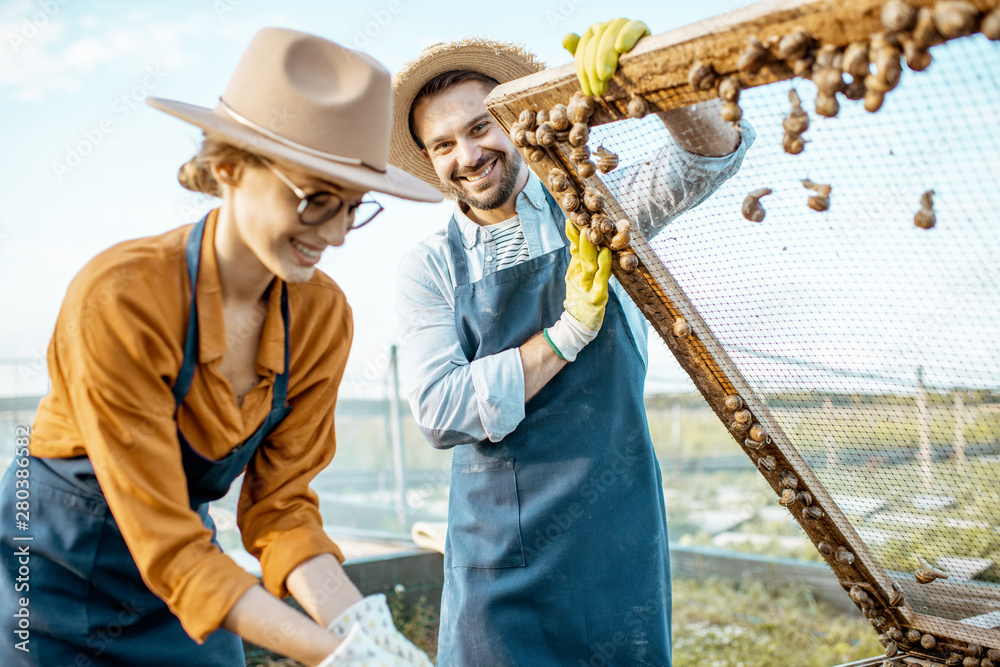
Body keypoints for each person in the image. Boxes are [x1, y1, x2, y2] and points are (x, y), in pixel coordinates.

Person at [0, 28, 440, 667]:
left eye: (353, 208)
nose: (338, 236)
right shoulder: (122, 296)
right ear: (229, 167)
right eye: (317, 199)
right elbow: (169, 546)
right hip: (46, 584)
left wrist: (367, 635)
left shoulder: (320, 318)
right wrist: (338, 657)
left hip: (187, 580)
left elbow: (282, 510)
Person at [389, 27, 755, 666]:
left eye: (481, 127)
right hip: (495, 555)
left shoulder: (593, 205)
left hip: (617, 532)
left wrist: (652, 80)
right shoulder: (431, 268)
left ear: (517, 121)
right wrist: (566, 336)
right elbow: (440, 411)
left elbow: (708, 158)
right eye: (443, 144)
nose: (468, 156)